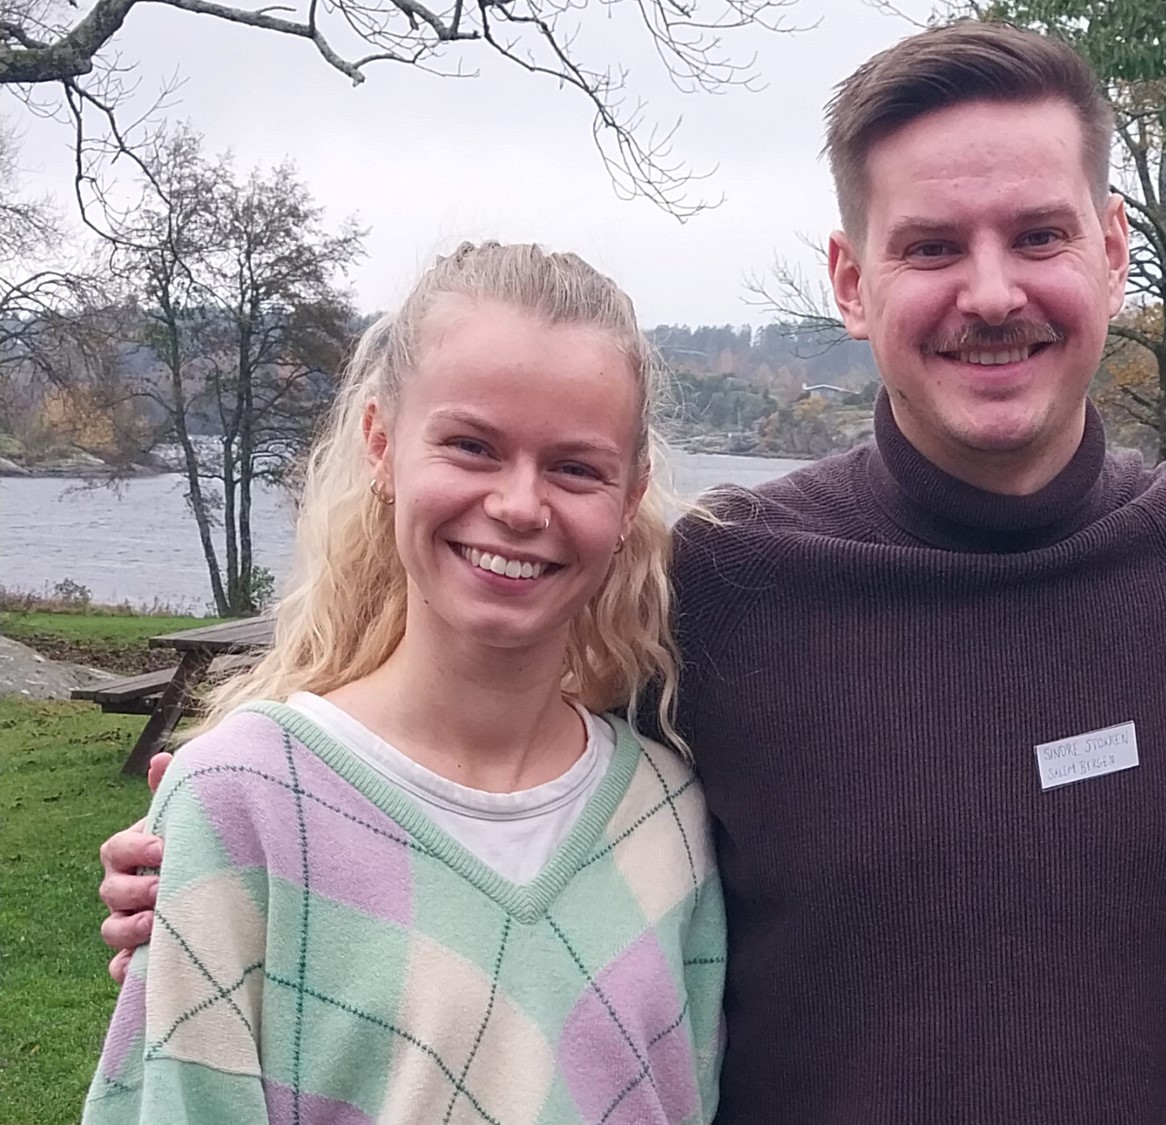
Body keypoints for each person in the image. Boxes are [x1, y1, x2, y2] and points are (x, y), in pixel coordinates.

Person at [99, 22, 1166, 1123]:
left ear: (1111, 248)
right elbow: (477, 751)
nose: (991, 292)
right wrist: (228, 863)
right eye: (932, 245)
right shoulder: (729, 593)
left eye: (1038, 234)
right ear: (850, 281)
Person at [84, 243, 725, 1124]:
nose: (519, 504)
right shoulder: (246, 802)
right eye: (471, 446)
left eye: (576, 466)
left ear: (631, 495)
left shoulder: (669, 817)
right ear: (382, 444)